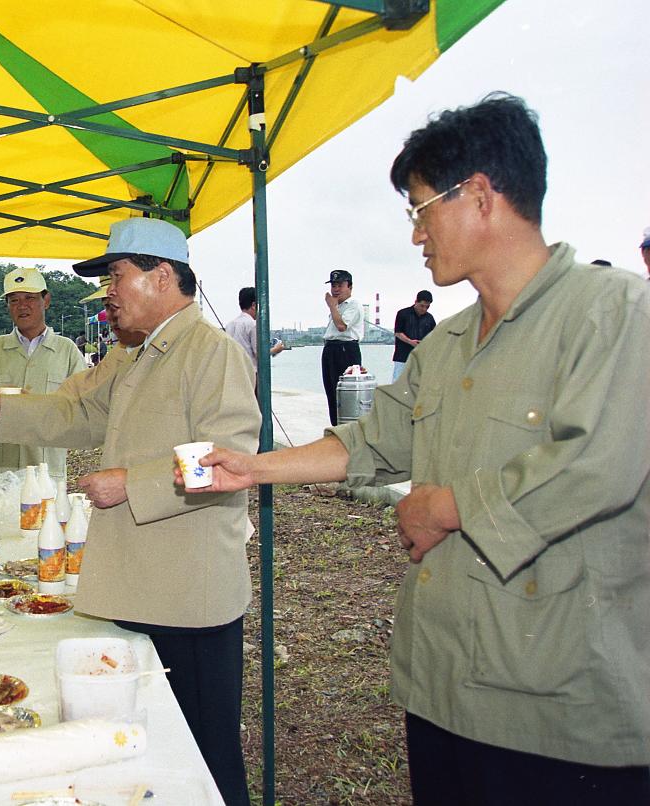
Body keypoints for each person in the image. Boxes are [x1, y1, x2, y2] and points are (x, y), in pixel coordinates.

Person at [185, 94, 650, 805]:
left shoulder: (614, 313)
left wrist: (449, 506)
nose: (415, 235)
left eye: (420, 208)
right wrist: (252, 466)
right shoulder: (450, 345)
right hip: (445, 690)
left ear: (482, 197)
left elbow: (600, 463)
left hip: (559, 709)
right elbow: (374, 439)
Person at [0, 218, 260, 806]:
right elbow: (72, 409)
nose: (109, 291)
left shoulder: (212, 354)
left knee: (204, 752)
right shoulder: (134, 354)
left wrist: (132, 483)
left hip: (189, 596)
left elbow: (228, 459)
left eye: (117, 276)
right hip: (141, 583)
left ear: (162, 276)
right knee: (148, 740)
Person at [0, 266, 85, 485]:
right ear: (7, 306)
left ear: (46, 301)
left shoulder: (66, 351)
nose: (22, 306)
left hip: (45, 471)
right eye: (13, 300)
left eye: (30, 298)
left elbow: (84, 405)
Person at [320, 269, 364, 425]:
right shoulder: (337, 306)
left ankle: (346, 427)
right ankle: (336, 425)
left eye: (340, 285)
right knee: (331, 391)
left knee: (346, 394)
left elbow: (341, 326)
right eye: (333, 285)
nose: (336, 289)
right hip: (331, 349)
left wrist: (332, 306)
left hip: (346, 350)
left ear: (350, 287)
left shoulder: (353, 305)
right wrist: (334, 306)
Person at [224, 285, 286, 372]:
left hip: (234, 374)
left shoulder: (229, 325)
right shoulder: (252, 324)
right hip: (251, 374)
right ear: (253, 305)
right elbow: (259, 354)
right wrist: (276, 349)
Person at [390, 289, 435, 381]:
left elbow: (434, 336)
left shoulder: (430, 318)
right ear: (416, 302)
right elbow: (398, 333)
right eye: (422, 306)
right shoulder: (402, 314)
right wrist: (410, 342)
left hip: (421, 358)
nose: (424, 309)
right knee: (398, 383)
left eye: (427, 307)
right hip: (402, 357)